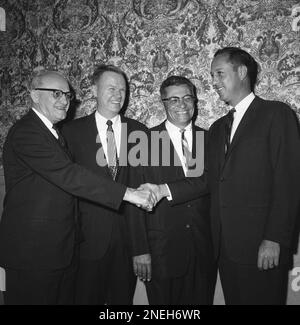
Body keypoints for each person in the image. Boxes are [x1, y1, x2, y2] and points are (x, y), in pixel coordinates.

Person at [142, 47, 300, 304]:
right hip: (224, 251)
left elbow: (289, 182)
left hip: (262, 246)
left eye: (219, 73)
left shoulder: (276, 114)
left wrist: (274, 238)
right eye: (212, 75)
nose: (213, 82)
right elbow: (206, 180)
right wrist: (163, 190)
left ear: (241, 72)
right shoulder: (217, 128)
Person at [0, 70, 155, 305]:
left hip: (62, 251)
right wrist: (130, 194)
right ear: (33, 95)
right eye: (56, 94)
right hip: (34, 254)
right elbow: (70, 175)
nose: (64, 100)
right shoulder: (27, 132)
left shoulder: (53, 134)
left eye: (67, 95)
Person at [62, 64, 151, 305]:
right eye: (110, 88)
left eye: (122, 89)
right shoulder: (70, 132)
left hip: (126, 245)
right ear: (94, 90)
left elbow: (142, 192)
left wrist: (140, 247)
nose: (117, 95)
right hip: (85, 245)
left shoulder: (140, 133)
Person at [143, 76, 216, 304]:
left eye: (187, 98)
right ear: (163, 103)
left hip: (204, 248)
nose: (182, 105)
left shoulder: (211, 139)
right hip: (162, 251)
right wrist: (140, 250)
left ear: (195, 101)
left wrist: (165, 189)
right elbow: (135, 201)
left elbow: (211, 182)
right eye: (173, 100)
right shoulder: (145, 141)